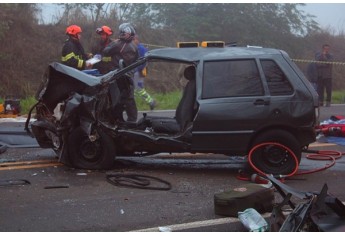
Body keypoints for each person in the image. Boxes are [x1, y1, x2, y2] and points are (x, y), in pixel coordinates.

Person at [102, 23, 139, 122]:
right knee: (128, 99)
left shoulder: (118, 45)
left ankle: (116, 119)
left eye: (124, 33)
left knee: (117, 98)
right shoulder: (134, 46)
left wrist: (113, 42)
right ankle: (131, 119)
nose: (123, 34)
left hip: (117, 76)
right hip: (128, 75)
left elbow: (106, 51)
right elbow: (137, 60)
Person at [132, 35, 156, 110]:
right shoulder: (137, 48)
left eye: (133, 40)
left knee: (138, 89)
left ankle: (151, 102)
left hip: (138, 73)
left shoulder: (141, 48)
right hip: (136, 72)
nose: (132, 42)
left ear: (136, 40)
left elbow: (144, 61)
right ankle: (131, 106)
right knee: (134, 90)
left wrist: (137, 69)